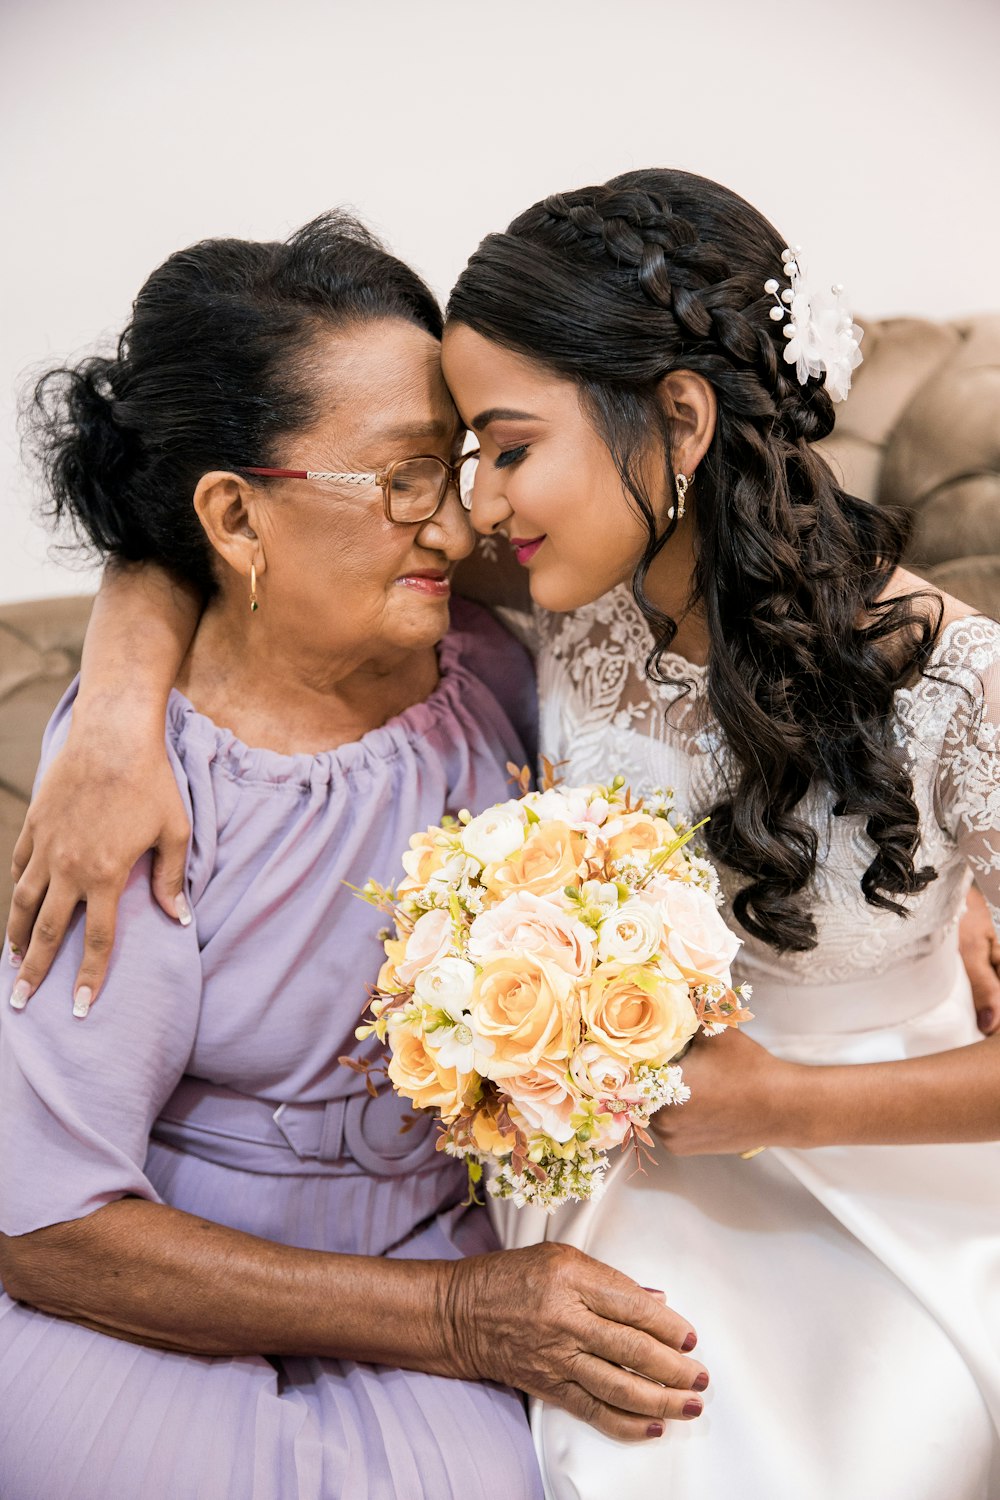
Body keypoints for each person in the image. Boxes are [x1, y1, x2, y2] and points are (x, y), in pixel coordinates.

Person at [7, 173, 1000, 1498]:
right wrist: (116, 713)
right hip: (559, 1211)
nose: (472, 508)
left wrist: (892, 961)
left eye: (493, 452)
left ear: (681, 423)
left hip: (834, 1183)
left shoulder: (930, 680)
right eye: (440, 464)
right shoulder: (552, 607)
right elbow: (207, 516)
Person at [0, 212, 710, 1500]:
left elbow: (747, 686)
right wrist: (455, 1321)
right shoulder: (139, 788)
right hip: (168, 1311)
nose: (458, 527)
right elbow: (43, 1230)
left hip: (461, 1259)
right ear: (232, 514)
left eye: (467, 464)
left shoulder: (493, 655)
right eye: (403, 481)